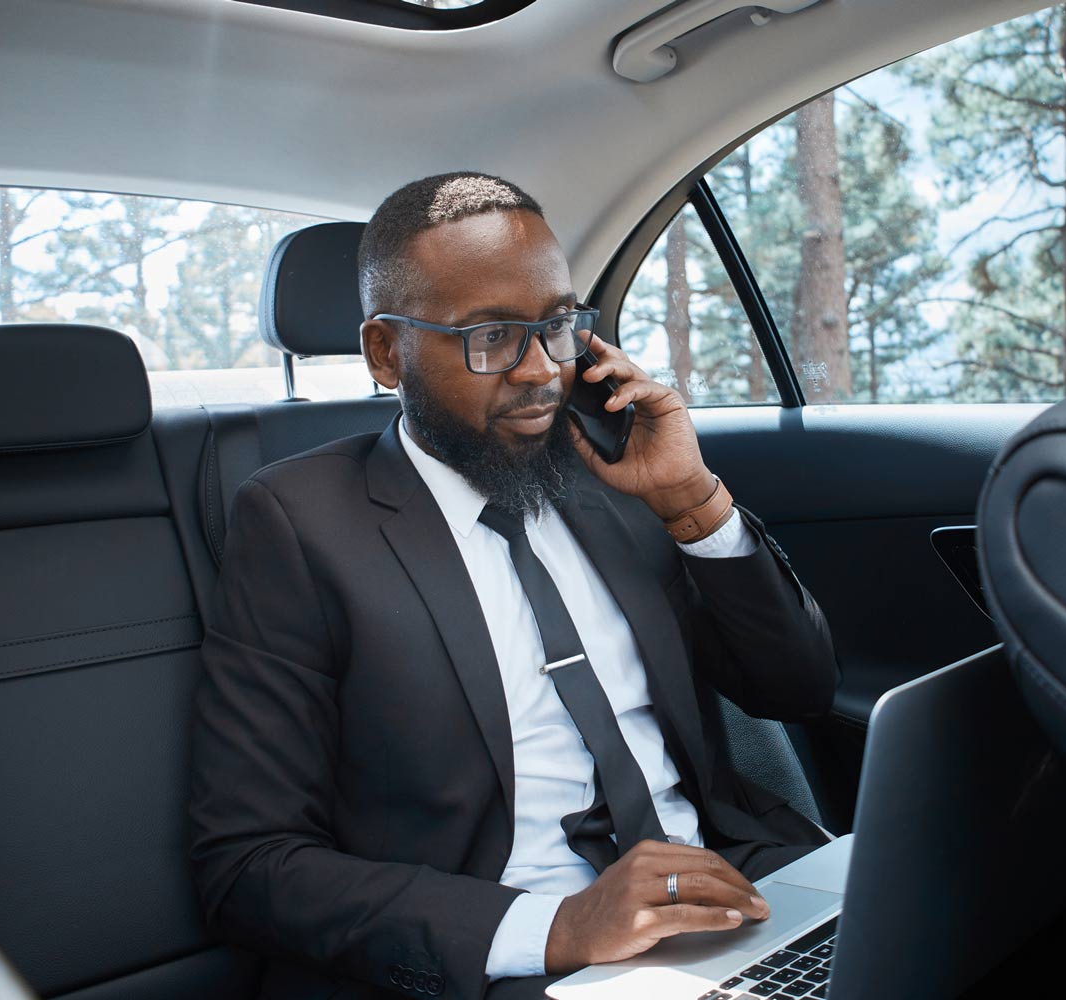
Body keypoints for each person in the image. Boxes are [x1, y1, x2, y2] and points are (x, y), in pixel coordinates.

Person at [188, 172, 839, 1000]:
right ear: (386, 353)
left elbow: (798, 689)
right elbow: (246, 865)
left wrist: (691, 501)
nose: (541, 372)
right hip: (512, 960)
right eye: (491, 336)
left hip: (734, 893)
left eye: (557, 326)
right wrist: (558, 928)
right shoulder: (299, 522)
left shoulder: (618, 475)